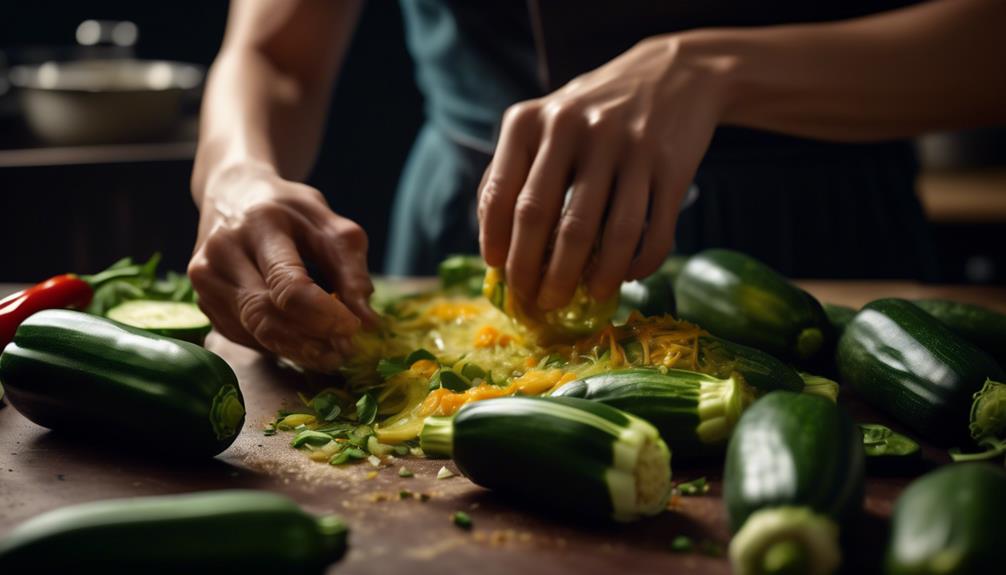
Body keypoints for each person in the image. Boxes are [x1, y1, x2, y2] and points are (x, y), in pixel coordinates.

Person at [188, 0, 1006, 371]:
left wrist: (716, 69)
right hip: (469, 220)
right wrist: (235, 174)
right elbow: (274, 56)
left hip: (814, 227)